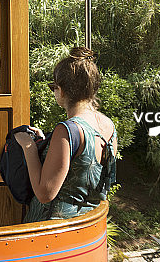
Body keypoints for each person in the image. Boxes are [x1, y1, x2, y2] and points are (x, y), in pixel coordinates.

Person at [14, 47, 117, 221]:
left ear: (61, 90)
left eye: (53, 87)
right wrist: (46, 142)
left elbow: (45, 193)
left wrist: (28, 146)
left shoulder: (67, 130)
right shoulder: (108, 126)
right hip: (87, 223)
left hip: (54, 229)